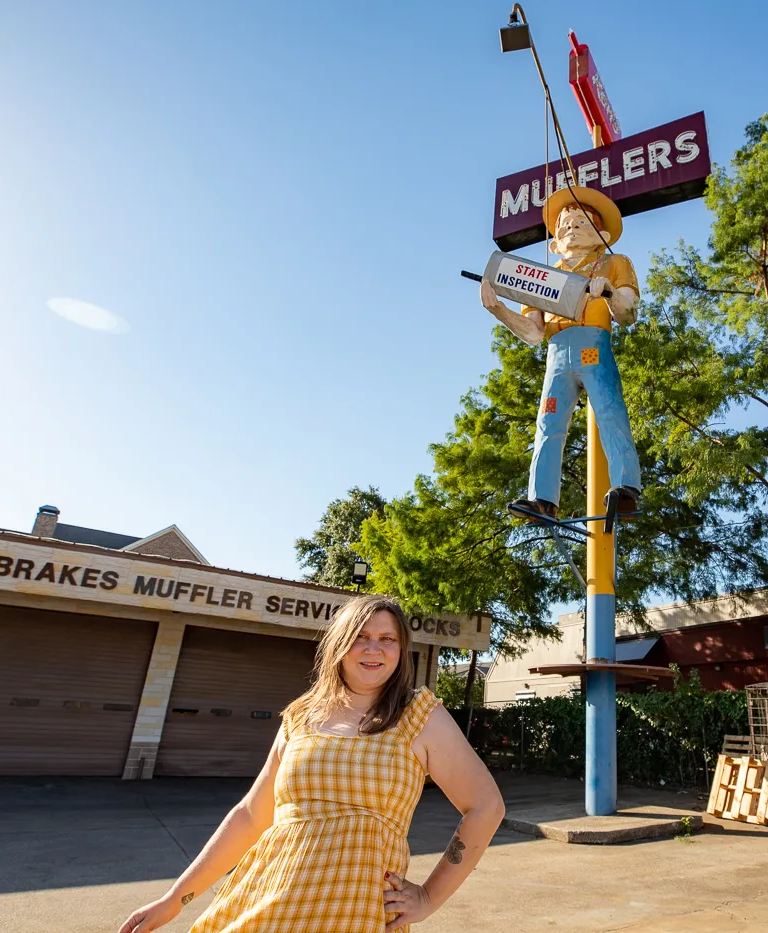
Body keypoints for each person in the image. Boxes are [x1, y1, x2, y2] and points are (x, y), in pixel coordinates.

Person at [116, 594, 505, 933]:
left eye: (387, 639)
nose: (374, 649)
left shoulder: (419, 714)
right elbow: (251, 817)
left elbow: (486, 807)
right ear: (339, 645)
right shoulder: (301, 716)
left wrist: (428, 897)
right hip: (265, 906)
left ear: (401, 651)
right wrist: (174, 899)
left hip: (356, 916)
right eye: (360, 637)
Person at [479, 185, 642, 522]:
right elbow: (534, 332)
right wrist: (500, 311)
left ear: (602, 233)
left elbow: (628, 314)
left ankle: (626, 486)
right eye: (565, 224)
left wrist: (609, 293)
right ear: (554, 241)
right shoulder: (541, 278)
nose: (571, 227)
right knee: (548, 421)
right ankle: (541, 498)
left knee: (610, 410)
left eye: (582, 221)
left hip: (593, 346)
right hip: (557, 353)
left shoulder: (614, 262)